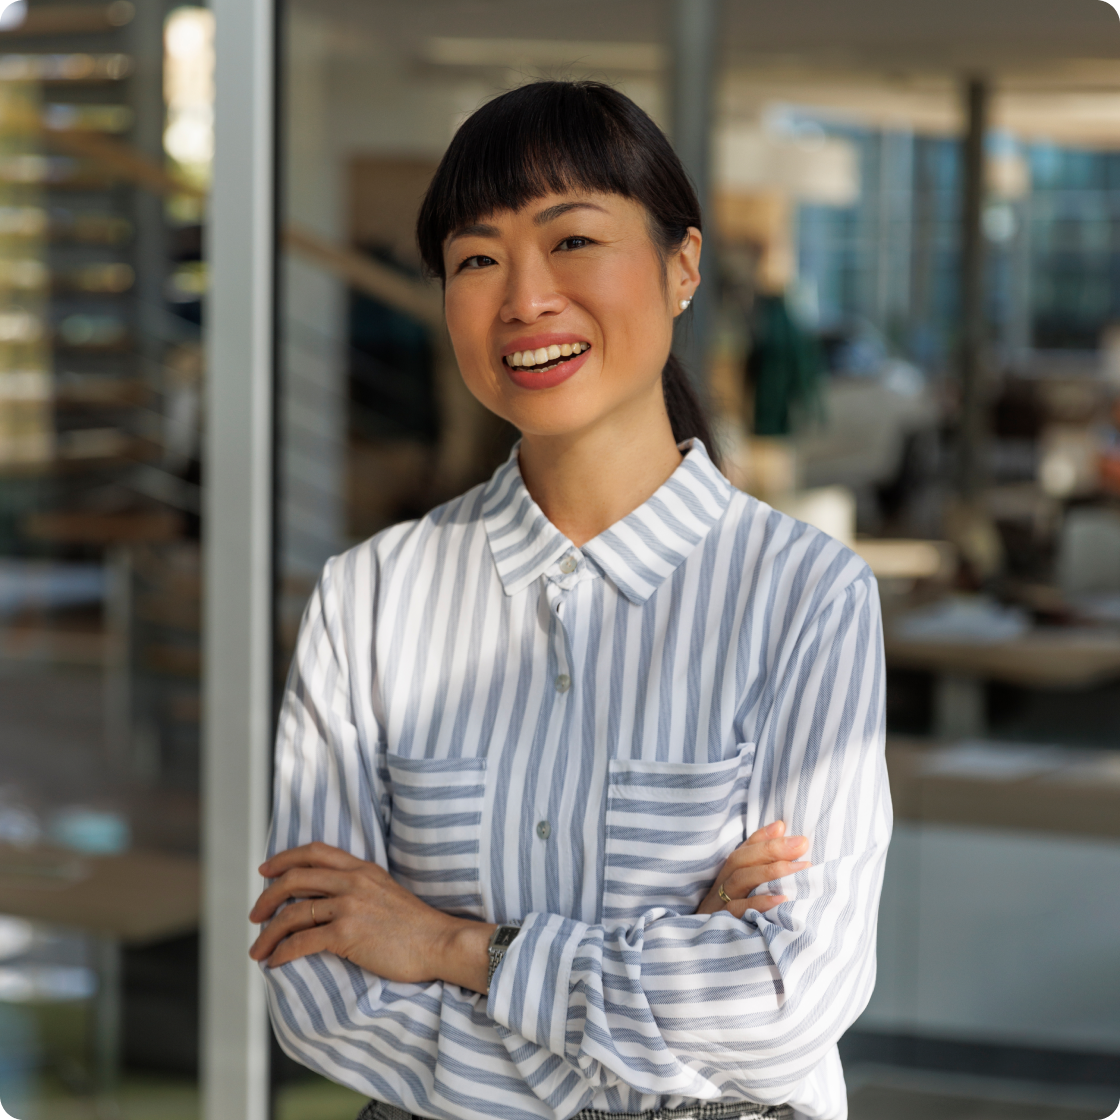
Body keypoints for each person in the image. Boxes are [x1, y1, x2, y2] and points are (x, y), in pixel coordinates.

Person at [249, 80, 891, 1120]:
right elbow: (320, 992)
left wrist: (449, 944)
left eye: (573, 240)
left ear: (682, 267)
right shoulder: (368, 598)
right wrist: (671, 991)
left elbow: (788, 998)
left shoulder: (804, 597)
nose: (524, 299)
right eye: (476, 259)